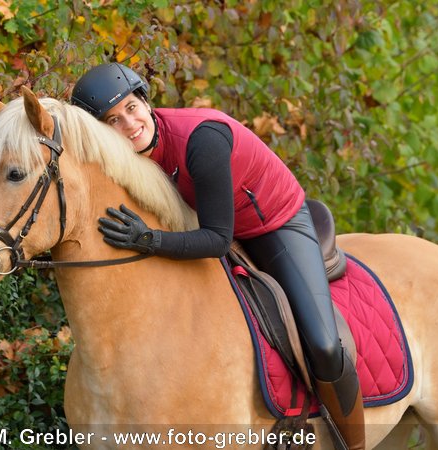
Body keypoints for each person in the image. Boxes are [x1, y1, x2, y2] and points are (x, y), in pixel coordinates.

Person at [71, 62, 365, 450]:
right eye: (112, 120)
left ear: (144, 100)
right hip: (212, 222)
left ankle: (352, 443)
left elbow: (215, 241)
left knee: (326, 344)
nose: (128, 124)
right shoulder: (126, 159)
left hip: (274, 226)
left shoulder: (202, 139)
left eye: (130, 107)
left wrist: (149, 241)